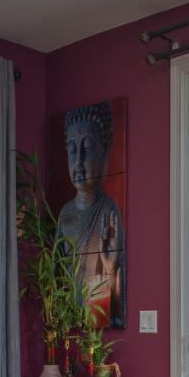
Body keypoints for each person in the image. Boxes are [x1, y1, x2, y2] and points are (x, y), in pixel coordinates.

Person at [56, 101, 125, 328]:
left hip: (96, 319)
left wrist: (111, 266)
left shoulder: (108, 211)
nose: (78, 161)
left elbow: (117, 308)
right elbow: (56, 278)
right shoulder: (65, 213)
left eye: (87, 148)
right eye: (72, 149)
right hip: (70, 319)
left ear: (104, 150)